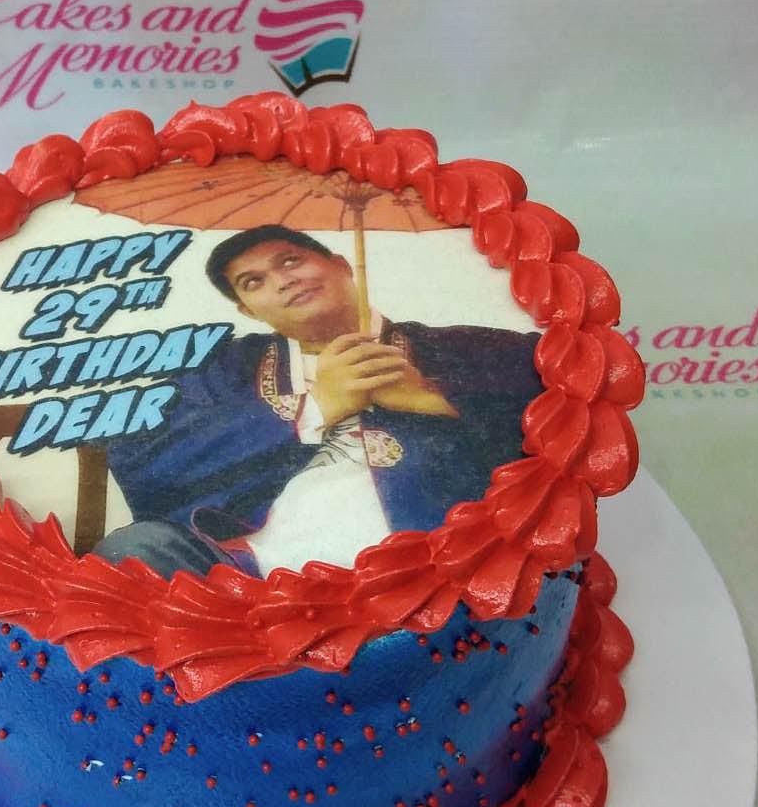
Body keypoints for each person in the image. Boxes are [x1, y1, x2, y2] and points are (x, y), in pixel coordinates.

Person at [95, 224, 542, 578]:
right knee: (134, 551)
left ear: (342, 265)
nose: (284, 281)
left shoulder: (479, 349)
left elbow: (562, 435)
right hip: (249, 579)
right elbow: (143, 459)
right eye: (254, 282)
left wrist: (432, 400)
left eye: (291, 260)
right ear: (248, 310)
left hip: (430, 566)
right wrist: (316, 410)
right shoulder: (220, 369)